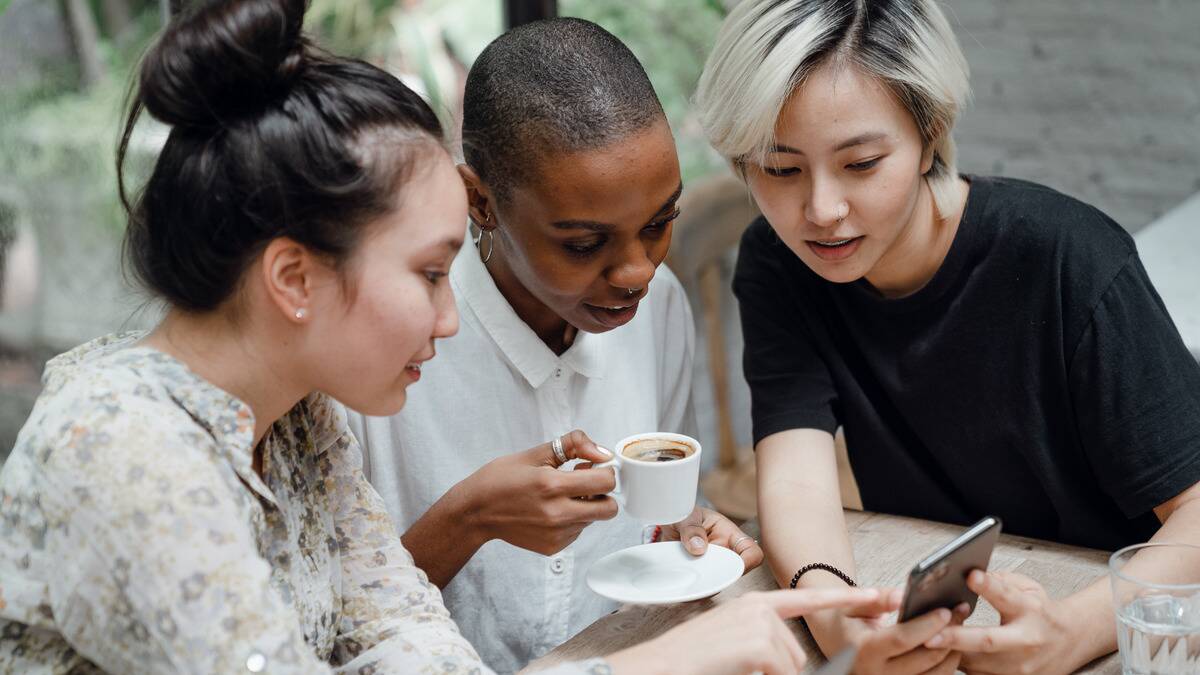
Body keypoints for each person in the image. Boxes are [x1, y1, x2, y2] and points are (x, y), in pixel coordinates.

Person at [0, 1, 896, 673]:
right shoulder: (122, 449)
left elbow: (407, 642)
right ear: (293, 278)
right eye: (432, 273)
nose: (454, 312)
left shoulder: (300, 421)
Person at [693, 1, 1200, 674]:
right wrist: (841, 619)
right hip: (936, 610)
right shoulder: (779, 261)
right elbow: (796, 484)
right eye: (779, 169)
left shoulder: (1067, 257)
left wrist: (1069, 634)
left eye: (863, 162)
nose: (820, 211)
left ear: (930, 133)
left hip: (1132, 630)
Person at [345, 18, 763, 673]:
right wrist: (467, 518)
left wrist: (685, 529)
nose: (637, 273)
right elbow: (329, 631)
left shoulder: (662, 312)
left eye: (659, 224)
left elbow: (660, 529)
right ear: (478, 201)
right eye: (583, 244)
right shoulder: (387, 346)